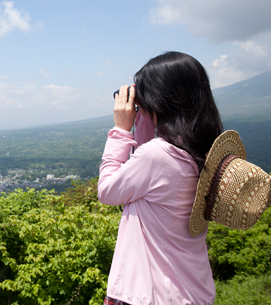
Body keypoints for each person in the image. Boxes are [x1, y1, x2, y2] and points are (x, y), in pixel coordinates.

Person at [97, 51, 223, 305]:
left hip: (153, 294)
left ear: (160, 100)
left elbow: (107, 191)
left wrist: (121, 129)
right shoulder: (203, 150)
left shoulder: (158, 156)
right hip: (189, 289)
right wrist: (145, 117)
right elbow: (149, 172)